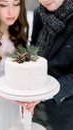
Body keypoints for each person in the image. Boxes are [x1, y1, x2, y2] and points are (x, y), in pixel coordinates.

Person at [24, 0, 73, 130]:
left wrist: (46, 94)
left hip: (64, 108)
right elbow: (34, 54)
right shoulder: (38, 13)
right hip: (35, 103)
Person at [0, 0, 28, 130]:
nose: (12, 11)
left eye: (16, 4)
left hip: (11, 101)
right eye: (3, 5)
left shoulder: (18, 32)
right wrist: (9, 96)